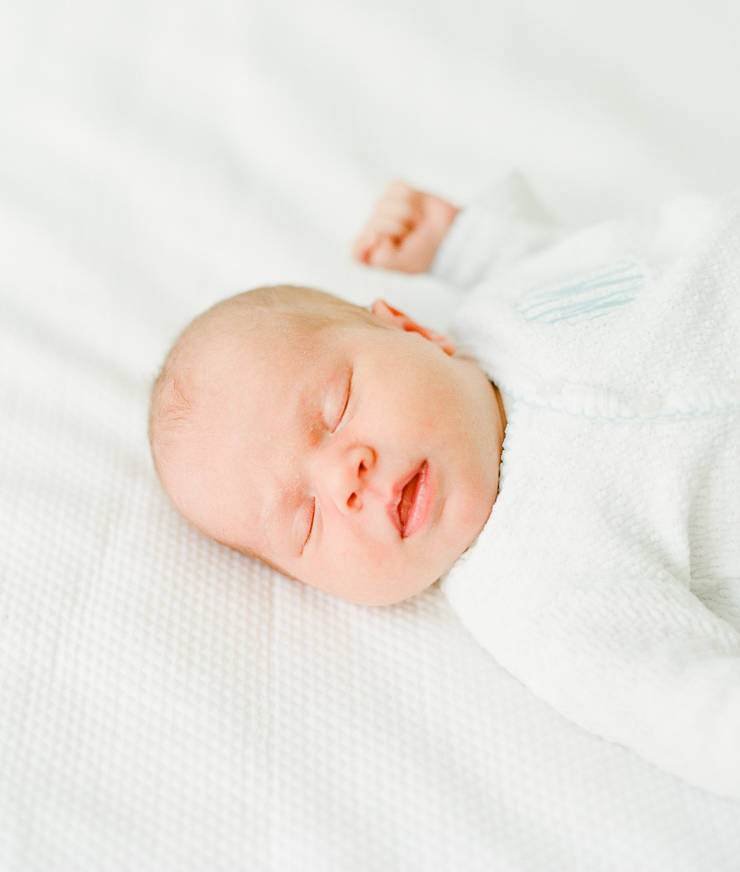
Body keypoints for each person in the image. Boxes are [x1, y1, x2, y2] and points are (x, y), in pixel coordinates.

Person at [150, 172, 740, 801]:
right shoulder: (531, 592)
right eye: (306, 522)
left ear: (413, 330)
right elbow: (677, 699)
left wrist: (458, 240)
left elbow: (580, 254)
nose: (343, 481)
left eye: (336, 404)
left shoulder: (502, 309)